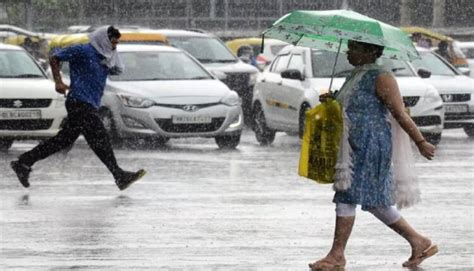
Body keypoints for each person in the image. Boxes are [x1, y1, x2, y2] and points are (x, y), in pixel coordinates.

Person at [309, 40, 437, 270]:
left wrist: (420, 141)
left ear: (370, 52)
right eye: (348, 47)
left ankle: (337, 255)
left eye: (353, 48)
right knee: (373, 200)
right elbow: (349, 107)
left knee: (348, 195)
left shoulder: (382, 77)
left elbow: (399, 112)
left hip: (371, 145)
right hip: (351, 145)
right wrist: (331, 101)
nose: (348, 52)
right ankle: (419, 241)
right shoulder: (353, 75)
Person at [10, 26, 146, 191]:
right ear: (103, 39)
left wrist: (113, 50)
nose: (114, 46)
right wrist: (58, 82)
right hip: (79, 102)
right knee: (100, 138)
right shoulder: (83, 50)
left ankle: (24, 162)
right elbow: (55, 58)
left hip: (89, 103)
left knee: (64, 140)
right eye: (112, 42)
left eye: (117, 43)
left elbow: (118, 70)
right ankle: (119, 175)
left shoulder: (105, 56)